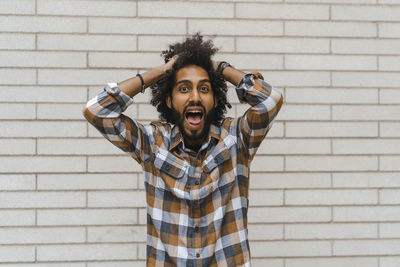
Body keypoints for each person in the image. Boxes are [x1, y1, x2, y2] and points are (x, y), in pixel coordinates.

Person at [83, 34, 283, 267]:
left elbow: (270, 100)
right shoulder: (152, 143)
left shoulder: (237, 138)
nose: (195, 97)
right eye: (184, 88)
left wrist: (220, 68)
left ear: (216, 100)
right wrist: (162, 71)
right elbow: (97, 111)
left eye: (205, 89)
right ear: (168, 99)